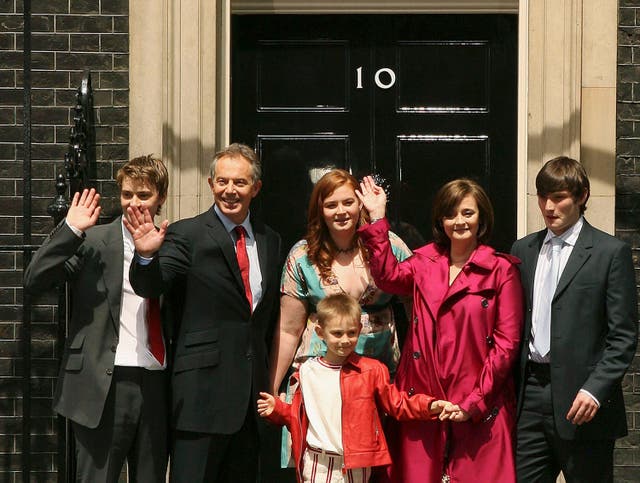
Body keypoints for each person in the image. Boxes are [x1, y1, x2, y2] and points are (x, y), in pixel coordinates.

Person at [124, 143, 281, 482]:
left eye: (239, 183)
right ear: (211, 185)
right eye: (222, 181)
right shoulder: (187, 234)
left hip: (250, 403)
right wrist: (146, 257)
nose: (229, 190)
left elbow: (264, 322)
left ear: (256, 188)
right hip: (200, 400)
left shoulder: (271, 240)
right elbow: (153, 285)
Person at [356, 176, 524, 482]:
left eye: (467, 213)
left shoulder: (502, 271)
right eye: (450, 214)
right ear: (440, 220)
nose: (459, 221)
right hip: (422, 402)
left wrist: (473, 402)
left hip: (479, 405)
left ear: (482, 217)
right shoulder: (424, 262)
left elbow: (506, 345)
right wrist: (378, 218)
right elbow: (388, 278)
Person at [24, 155, 170, 482]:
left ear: (161, 197)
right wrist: (71, 228)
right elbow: (34, 279)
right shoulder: (92, 240)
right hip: (101, 381)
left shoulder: (172, 244)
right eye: (127, 194)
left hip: (155, 382)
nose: (134, 203)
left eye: (144, 196)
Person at [510, 156, 638, 483]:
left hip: (583, 401)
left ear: (581, 196)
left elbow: (622, 336)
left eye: (559, 197)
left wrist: (595, 390)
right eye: (542, 197)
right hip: (530, 396)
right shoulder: (523, 249)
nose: (548, 206)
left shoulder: (610, 253)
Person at [258, 293, 451, 483]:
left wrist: (429, 405)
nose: (345, 340)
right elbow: (298, 416)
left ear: (359, 330)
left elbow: (397, 404)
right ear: (320, 332)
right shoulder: (307, 371)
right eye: (337, 333)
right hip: (317, 460)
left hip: (356, 463)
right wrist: (276, 409)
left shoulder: (372, 370)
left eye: (351, 333)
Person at [269, 169, 412, 398]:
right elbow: (289, 330)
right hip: (320, 378)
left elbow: (416, 310)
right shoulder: (302, 257)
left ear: (360, 204)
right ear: (320, 210)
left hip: (380, 376)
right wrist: (273, 387)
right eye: (331, 205)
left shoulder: (390, 246)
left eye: (348, 202)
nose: (341, 211)